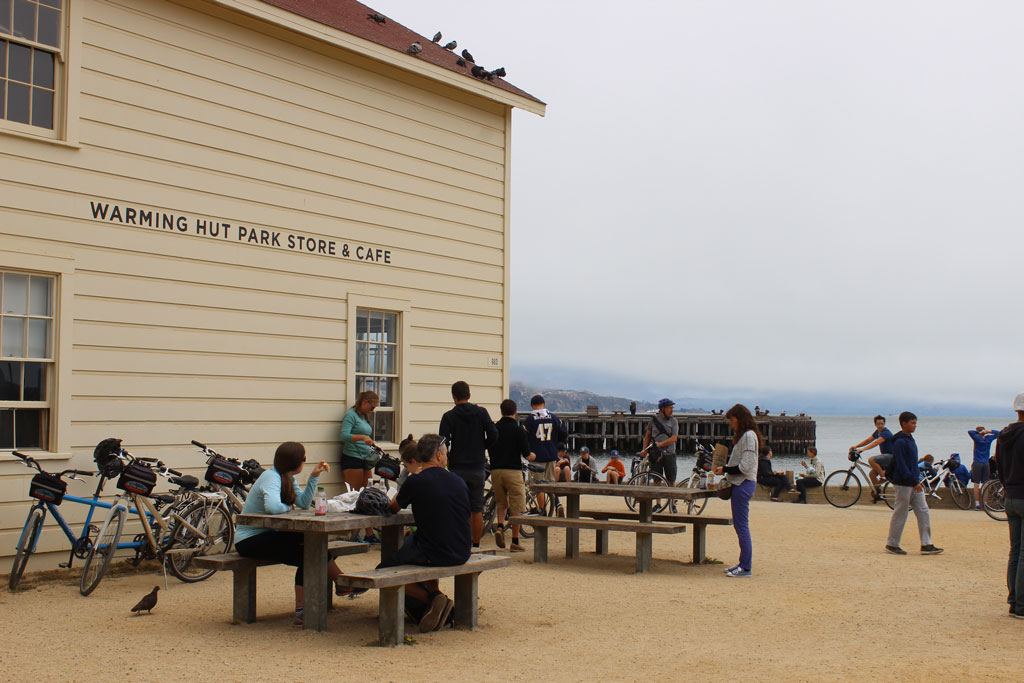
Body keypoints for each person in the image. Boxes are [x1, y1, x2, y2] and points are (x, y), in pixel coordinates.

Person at [235, 442, 354, 627]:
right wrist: (287, 508)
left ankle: (334, 589)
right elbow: (273, 507)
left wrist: (314, 476)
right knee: (308, 553)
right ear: (295, 461)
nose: (304, 462)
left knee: (308, 547)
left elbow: (304, 503)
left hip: (267, 535)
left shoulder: (286, 477)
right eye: (303, 459)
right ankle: (339, 583)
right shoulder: (271, 477)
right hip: (249, 539)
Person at [383, 433, 471, 632]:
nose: (447, 458)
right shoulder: (458, 481)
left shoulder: (416, 481)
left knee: (383, 571)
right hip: (462, 549)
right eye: (446, 454)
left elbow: (393, 508)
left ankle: (433, 599)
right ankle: (435, 601)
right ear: (439, 456)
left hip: (434, 551)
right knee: (417, 543)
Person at [438, 381, 498, 548]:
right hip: (477, 466)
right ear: (469, 395)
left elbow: (443, 442)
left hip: (457, 467)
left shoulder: (449, 416)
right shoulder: (481, 412)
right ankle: (476, 543)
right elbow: (494, 434)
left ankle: (459, 542)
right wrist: (483, 446)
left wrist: (448, 457)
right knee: (476, 508)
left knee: (458, 508)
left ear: (454, 397)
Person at [885, 411, 943, 556]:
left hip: (913, 482)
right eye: (912, 423)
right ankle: (892, 544)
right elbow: (901, 464)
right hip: (904, 483)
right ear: (904, 423)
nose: (914, 425)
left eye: (915, 422)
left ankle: (926, 544)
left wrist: (917, 480)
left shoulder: (910, 439)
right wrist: (913, 481)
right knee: (901, 513)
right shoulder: (899, 442)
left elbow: (912, 463)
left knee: (923, 511)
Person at [716, 404, 760, 577]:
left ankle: (746, 567)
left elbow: (745, 466)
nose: (731, 424)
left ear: (739, 419)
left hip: (743, 483)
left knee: (741, 526)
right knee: (740, 525)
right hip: (742, 483)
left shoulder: (749, 437)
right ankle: (742, 563)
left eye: (732, 420)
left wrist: (725, 469)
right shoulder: (747, 436)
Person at [488, 398, 532, 553]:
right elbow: (526, 454)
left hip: (496, 471)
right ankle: (514, 541)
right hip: (513, 471)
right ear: (516, 412)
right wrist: (533, 455)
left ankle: (500, 526)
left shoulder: (494, 428)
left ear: (501, 411)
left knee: (501, 503)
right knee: (516, 506)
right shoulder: (519, 430)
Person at [995, 392, 1024, 619]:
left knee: (1015, 551)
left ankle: (1014, 600)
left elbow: (999, 467)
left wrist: (1006, 485)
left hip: (1010, 496)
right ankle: (1021, 605)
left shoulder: (1004, 435)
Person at [340, 390, 380, 542]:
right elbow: (343, 435)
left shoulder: (363, 416)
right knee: (354, 496)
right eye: (372, 407)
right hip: (352, 458)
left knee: (367, 495)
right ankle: (352, 534)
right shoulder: (351, 415)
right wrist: (362, 437)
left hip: (365, 459)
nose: (373, 410)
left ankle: (369, 533)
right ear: (364, 402)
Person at [523, 394, 567, 514]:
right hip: (551, 456)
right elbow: (564, 434)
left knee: (538, 487)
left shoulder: (530, 420)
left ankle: (542, 510)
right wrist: (554, 442)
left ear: (532, 406)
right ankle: (557, 504)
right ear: (544, 404)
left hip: (536, 457)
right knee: (550, 484)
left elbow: (524, 438)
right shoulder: (553, 418)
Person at [850, 415, 894, 500]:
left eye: (882, 424)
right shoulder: (877, 432)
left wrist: (862, 449)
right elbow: (868, 440)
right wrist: (856, 446)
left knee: (871, 460)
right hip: (886, 458)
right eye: (878, 424)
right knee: (872, 474)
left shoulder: (886, 433)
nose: (880, 425)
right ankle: (878, 494)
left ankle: (883, 477)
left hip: (892, 457)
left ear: (884, 424)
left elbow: (876, 442)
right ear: (875, 424)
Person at [644, 399, 680, 495]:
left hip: (669, 453)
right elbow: (647, 435)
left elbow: (674, 438)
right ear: (662, 409)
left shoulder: (674, 421)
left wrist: (660, 444)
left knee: (671, 480)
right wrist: (644, 449)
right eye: (669, 408)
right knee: (657, 480)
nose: (672, 410)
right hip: (656, 454)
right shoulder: (654, 420)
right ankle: (658, 503)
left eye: (672, 408)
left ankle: (672, 503)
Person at [969, 426, 1001, 510]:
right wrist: (989, 431)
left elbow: (970, 431)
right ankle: (985, 504)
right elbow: (999, 433)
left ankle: (977, 504)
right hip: (986, 463)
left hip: (977, 463)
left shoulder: (977, 438)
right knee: (985, 484)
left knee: (976, 484)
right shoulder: (988, 438)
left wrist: (979, 433)